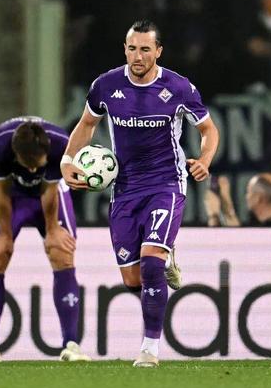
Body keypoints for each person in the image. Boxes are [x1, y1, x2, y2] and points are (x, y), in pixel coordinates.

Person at [60, 20, 219, 368]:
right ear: (125, 49)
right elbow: (87, 124)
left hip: (166, 185)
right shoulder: (106, 86)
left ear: (158, 51)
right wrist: (67, 160)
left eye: (145, 49)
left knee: (150, 263)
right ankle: (165, 257)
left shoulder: (178, 87)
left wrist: (205, 160)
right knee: (133, 280)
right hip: (125, 189)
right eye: (132, 48)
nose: (138, 56)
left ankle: (150, 348)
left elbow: (209, 130)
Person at [0, 117, 90, 363]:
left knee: (61, 251)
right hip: (10, 195)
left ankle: (71, 345)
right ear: (16, 155)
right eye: (28, 166)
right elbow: (0, 192)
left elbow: (49, 191)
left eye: (38, 165)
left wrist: (53, 230)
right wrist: (5, 236)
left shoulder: (60, 144)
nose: (34, 171)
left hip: (48, 194)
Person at [205, 173, 271, 227]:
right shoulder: (260, 224)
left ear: (258, 198)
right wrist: (225, 199)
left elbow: (236, 243)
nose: (246, 196)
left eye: (248, 192)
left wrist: (213, 216)